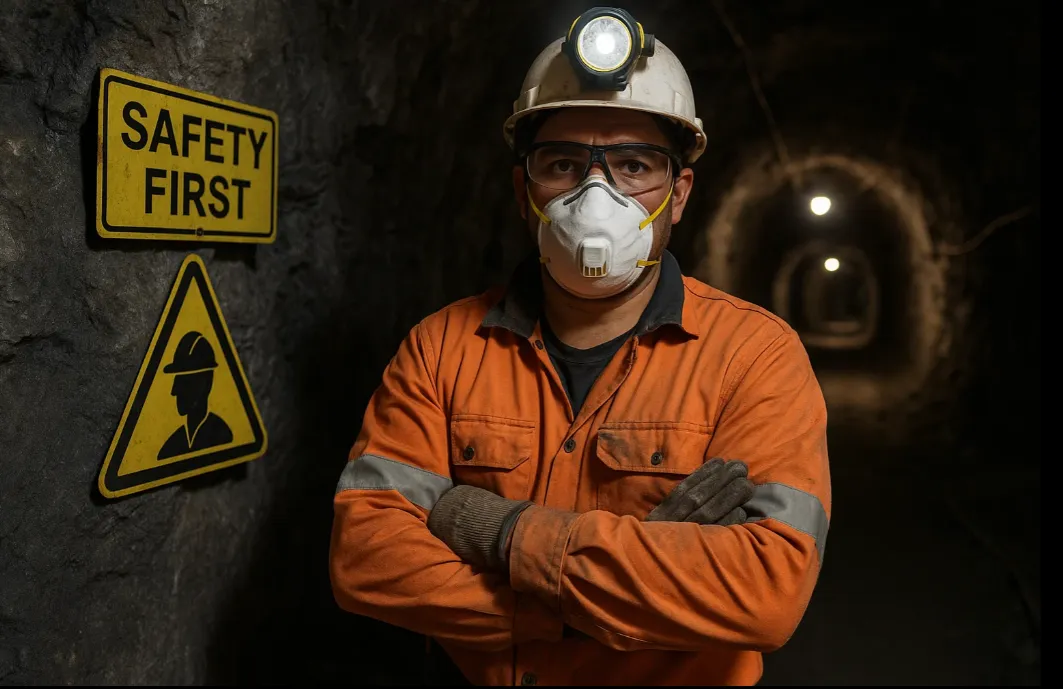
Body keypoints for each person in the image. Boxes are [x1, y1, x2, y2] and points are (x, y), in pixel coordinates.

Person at [330, 8, 830, 685]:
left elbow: (764, 595)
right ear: (522, 189)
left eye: (632, 165)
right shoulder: (440, 347)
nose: (596, 194)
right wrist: (591, 601)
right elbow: (365, 557)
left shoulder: (754, 356)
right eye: (562, 163)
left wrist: (493, 529)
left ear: (676, 194)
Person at [158, 331, 232, 459]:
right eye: (176, 381)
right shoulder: (170, 447)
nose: (174, 391)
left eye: (184, 382)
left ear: (207, 384)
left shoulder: (223, 436)